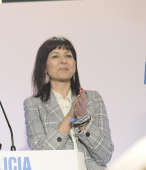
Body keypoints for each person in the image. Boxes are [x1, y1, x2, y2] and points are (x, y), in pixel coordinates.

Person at [23, 36, 114, 170]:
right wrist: (70, 117)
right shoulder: (33, 104)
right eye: (55, 56)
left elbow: (105, 155)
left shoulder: (93, 98)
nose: (63, 61)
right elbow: (40, 156)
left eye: (68, 56)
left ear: (75, 65)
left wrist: (83, 117)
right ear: (44, 66)